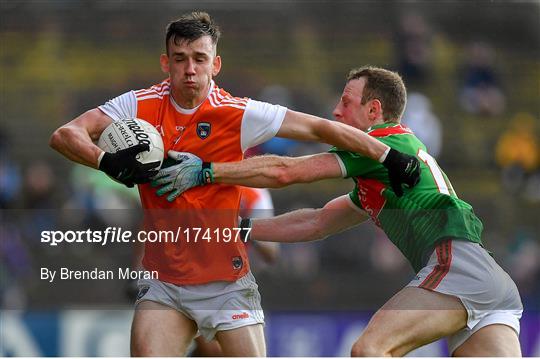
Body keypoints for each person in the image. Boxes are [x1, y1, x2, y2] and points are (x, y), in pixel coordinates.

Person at [48, 12, 420, 357]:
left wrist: (385, 156)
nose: (189, 69)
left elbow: (319, 128)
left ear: (215, 64)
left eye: (199, 58)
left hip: (226, 283)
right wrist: (107, 162)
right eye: (179, 59)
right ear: (166, 63)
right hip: (164, 283)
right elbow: (66, 135)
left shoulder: (238, 113)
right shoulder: (137, 105)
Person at [162, 66, 523, 356]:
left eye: (346, 102)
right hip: (489, 280)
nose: (336, 112)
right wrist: (239, 228)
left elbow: (286, 172)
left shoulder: (382, 143)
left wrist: (207, 171)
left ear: (373, 111)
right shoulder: (385, 168)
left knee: (370, 349)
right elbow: (316, 221)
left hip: (455, 265)